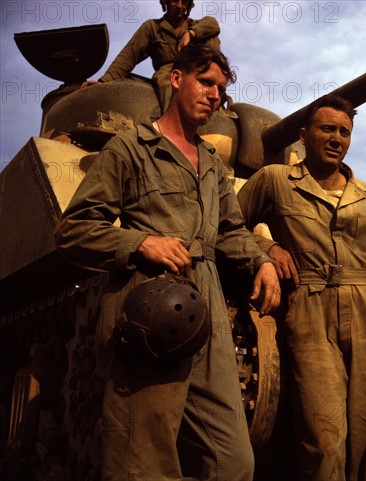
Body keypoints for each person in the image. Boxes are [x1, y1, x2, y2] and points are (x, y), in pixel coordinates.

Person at [55, 44, 280, 481]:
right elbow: (73, 230)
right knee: (143, 459)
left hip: (208, 310)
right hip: (152, 304)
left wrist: (261, 261)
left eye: (221, 87)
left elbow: (231, 230)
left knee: (233, 461)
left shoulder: (212, 165)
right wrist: (140, 243)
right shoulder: (131, 149)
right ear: (176, 79)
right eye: (205, 81)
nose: (214, 94)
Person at [236, 94, 366, 481]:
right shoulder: (276, 180)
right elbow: (227, 224)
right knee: (321, 441)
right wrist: (266, 247)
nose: (336, 138)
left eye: (344, 131)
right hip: (312, 315)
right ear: (303, 135)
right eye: (327, 128)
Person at [98, 0, 221, 111]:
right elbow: (128, 55)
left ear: (188, 6)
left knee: (211, 39)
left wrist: (191, 33)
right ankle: (173, 125)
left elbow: (213, 23)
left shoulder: (196, 25)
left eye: (184, 2)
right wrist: (104, 81)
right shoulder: (152, 27)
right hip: (168, 71)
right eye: (174, 0)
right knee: (167, 82)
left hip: (197, 69)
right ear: (165, 2)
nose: (179, 5)